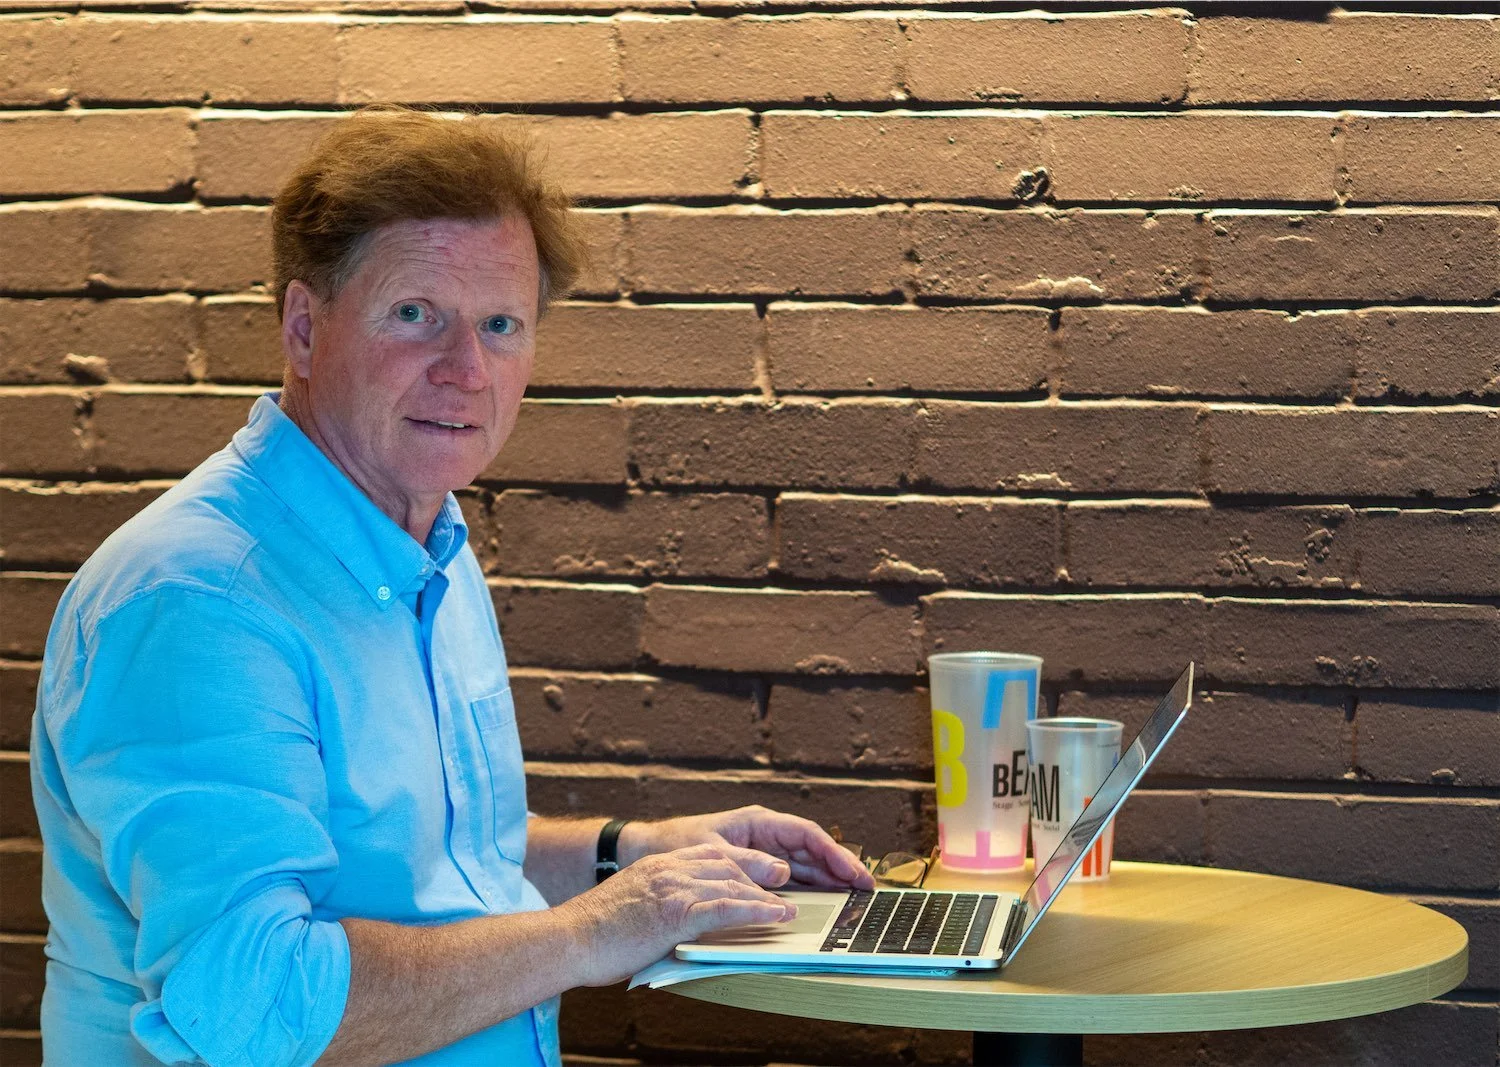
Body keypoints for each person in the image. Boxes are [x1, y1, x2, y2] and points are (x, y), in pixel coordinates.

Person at [29, 106, 874, 1066]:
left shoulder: (425, 541)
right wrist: (600, 928)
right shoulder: (199, 602)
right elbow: (254, 1003)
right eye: (414, 314)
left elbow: (434, 867)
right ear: (305, 328)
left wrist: (631, 855)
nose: (466, 369)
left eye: (501, 324)